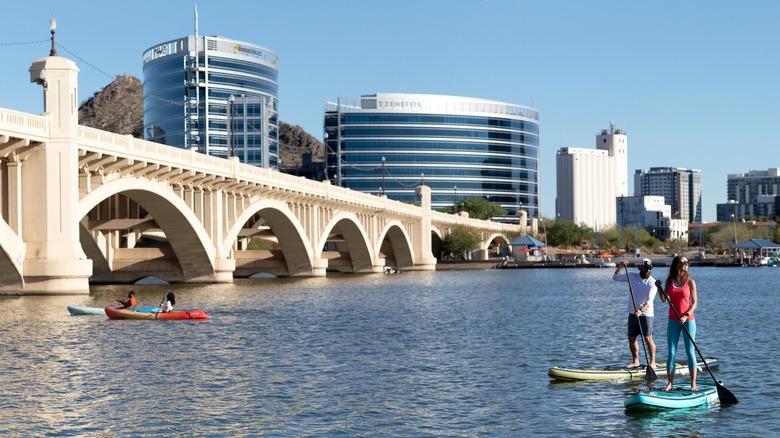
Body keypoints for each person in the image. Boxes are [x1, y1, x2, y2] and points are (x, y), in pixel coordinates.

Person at [655, 255, 698, 391]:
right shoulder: (670, 281)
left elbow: (695, 303)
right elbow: (663, 299)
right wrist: (658, 288)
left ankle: (693, 384)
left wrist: (686, 315)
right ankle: (669, 383)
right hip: (673, 320)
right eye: (684, 262)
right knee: (671, 352)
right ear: (677, 264)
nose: (686, 264)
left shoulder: (690, 282)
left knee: (690, 352)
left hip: (688, 320)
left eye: (687, 262)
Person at [612, 258, 658, 369]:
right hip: (633, 313)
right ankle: (636, 361)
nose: (648, 271)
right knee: (631, 338)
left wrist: (640, 311)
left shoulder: (652, 283)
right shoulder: (632, 276)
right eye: (646, 268)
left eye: (649, 269)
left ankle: (652, 362)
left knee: (648, 338)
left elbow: (649, 301)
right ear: (640, 267)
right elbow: (615, 277)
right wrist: (621, 266)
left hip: (646, 314)